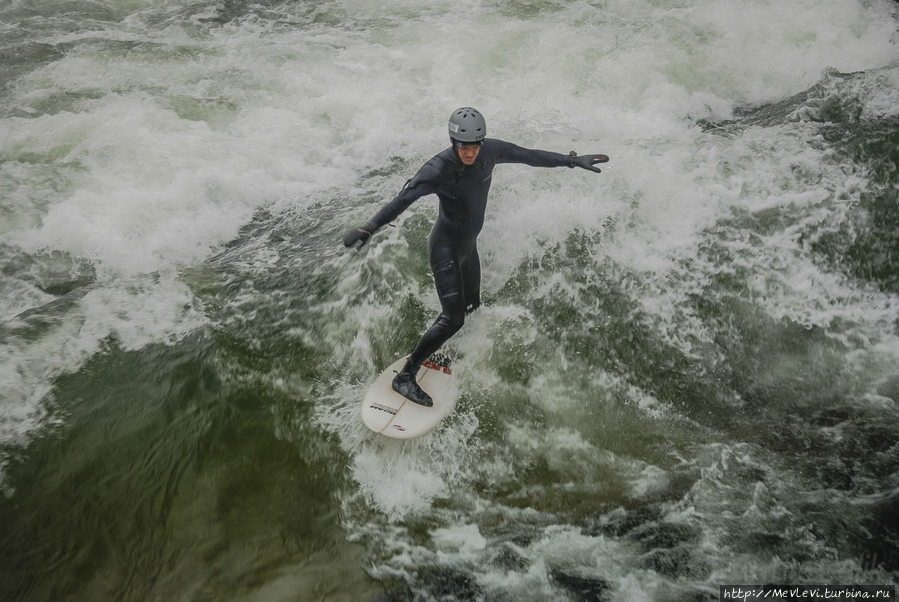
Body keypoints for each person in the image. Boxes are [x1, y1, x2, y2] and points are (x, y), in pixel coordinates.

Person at [343, 107, 609, 406]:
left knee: (472, 305)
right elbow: (401, 201)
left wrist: (571, 161)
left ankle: (445, 349)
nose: (469, 153)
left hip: (468, 248)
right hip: (445, 248)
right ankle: (405, 376)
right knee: (453, 318)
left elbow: (529, 155)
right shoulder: (437, 170)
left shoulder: (490, 152)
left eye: (473, 147)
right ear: (453, 143)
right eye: (463, 147)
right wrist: (369, 228)